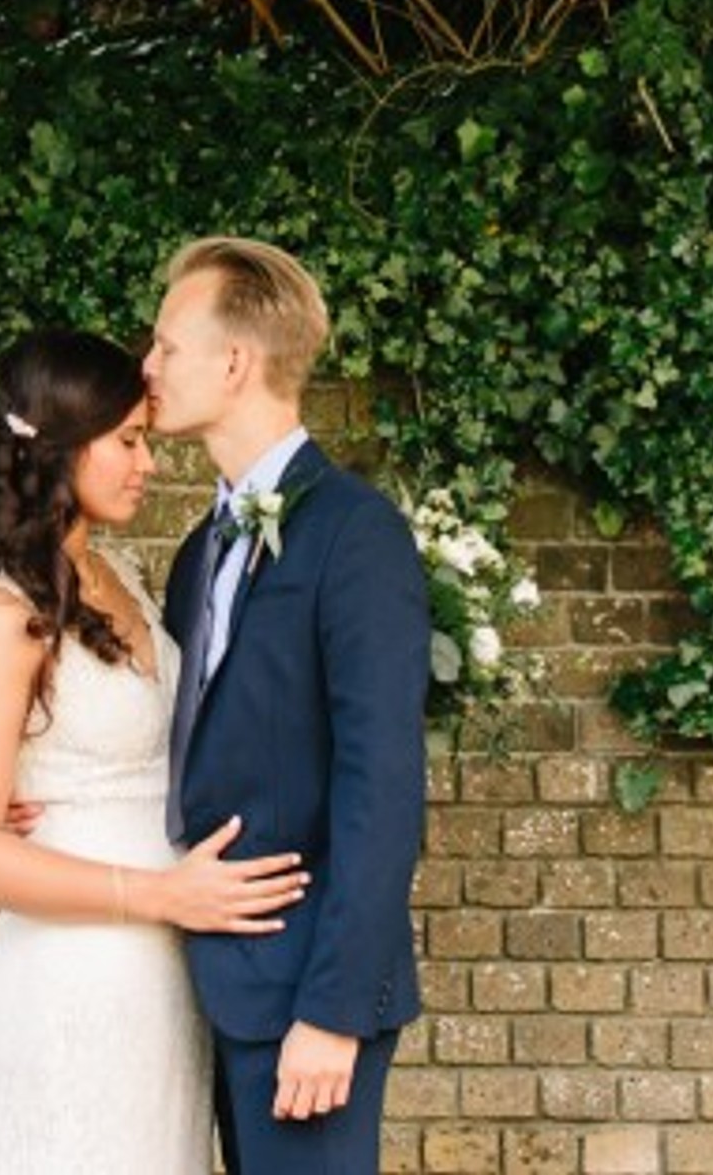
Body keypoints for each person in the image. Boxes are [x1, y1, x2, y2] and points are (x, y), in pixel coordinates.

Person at [0, 326, 310, 1175]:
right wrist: (163, 891)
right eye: (129, 441)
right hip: (78, 966)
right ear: (61, 446)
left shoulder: (120, 577)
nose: (150, 463)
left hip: (165, 966)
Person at [145, 238, 431, 1175]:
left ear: (234, 361)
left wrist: (334, 1010)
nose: (147, 367)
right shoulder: (198, 551)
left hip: (307, 992)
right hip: (208, 986)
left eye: (165, 346)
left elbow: (382, 784)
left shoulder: (356, 533)